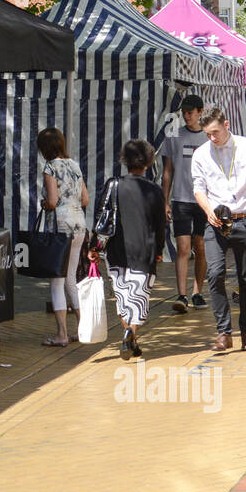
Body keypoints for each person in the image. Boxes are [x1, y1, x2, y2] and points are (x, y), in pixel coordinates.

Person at [191, 106, 246, 353]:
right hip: (216, 222)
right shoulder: (201, 154)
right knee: (215, 274)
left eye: (215, 132)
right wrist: (208, 210)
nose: (212, 138)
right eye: (207, 134)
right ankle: (224, 331)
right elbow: (198, 188)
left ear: (226, 125)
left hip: (245, 218)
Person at [90, 139, 165, 360]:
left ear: (125, 160)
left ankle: (130, 338)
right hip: (144, 251)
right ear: (148, 162)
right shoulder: (155, 190)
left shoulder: (113, 184)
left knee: (123, 298)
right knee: (139, 298)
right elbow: (160, 225)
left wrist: (94, 247)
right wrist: (159, 249)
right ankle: (130, 333)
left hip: (116, 250)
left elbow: (101, 218)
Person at [37, 127, 91, 346]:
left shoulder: (50, 167)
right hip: (79, 224)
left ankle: (61, 334)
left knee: (57, 281)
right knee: (71, 279)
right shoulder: (74, 165)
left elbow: (51, 201)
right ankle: (84, 327)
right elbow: (85, 199)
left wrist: (44, 204)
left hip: (60, 225)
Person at [159, 94, 209, 313]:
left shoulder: (209, 138)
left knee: (200, 247)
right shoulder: (174, 137)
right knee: (183, 248)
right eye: (184, 113)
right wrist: (165, 201)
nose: (187, 116)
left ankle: (197, 292)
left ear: (200, 111)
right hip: (180, 200)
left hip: (203, 201)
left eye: (191, 112)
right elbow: (167, 171)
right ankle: (182, 295)